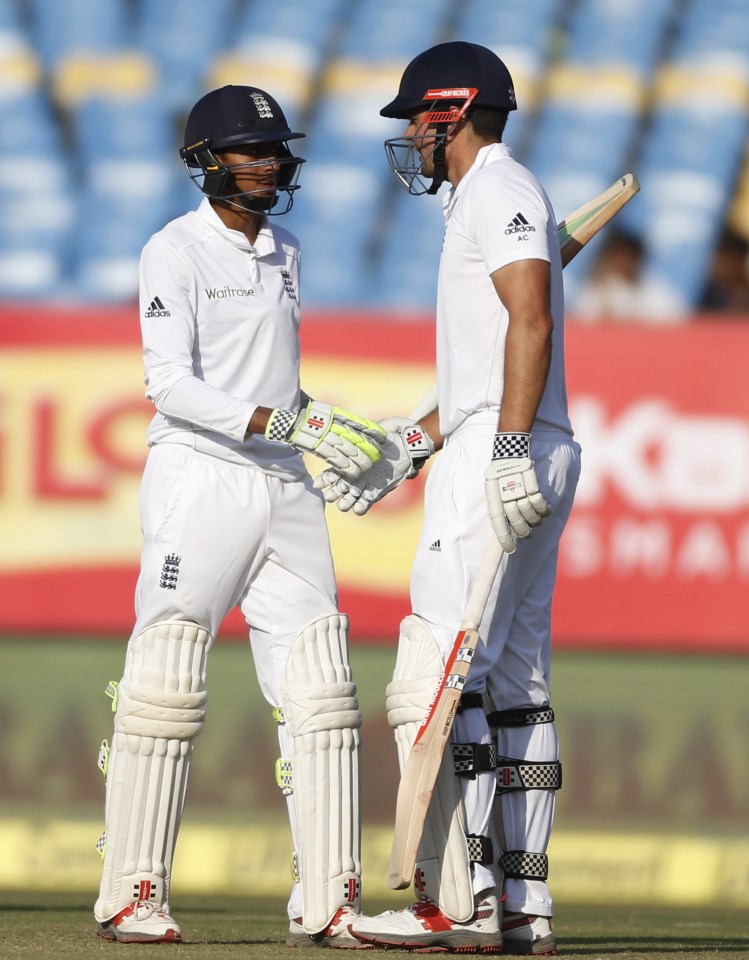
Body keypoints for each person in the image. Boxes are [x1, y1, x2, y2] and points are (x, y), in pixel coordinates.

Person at [93, 84, 386, 947]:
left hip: (285, 483)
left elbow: (277, 386)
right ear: (205, 161)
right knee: (167, 674)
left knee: (322, 688)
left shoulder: (287, 248)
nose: (268, 166)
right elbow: (168, 383)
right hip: (202, 475)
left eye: (274, 152)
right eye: (250, 153)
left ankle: (328, 898)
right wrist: (275, 421)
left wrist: (325, 434)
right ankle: (131, 891)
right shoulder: (172, 251)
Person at [316, 42, 581, 955]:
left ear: (447, 115)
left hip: (506, 450)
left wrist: (498, 448)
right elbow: (485, 361)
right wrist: (416, 443)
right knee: (515, 682)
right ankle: (524, 909)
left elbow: (532, 319)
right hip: (516, 441)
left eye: (415, 124)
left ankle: (453, 906)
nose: (411, 143)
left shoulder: (500, 191)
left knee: (441, 668)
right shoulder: (499, 196)